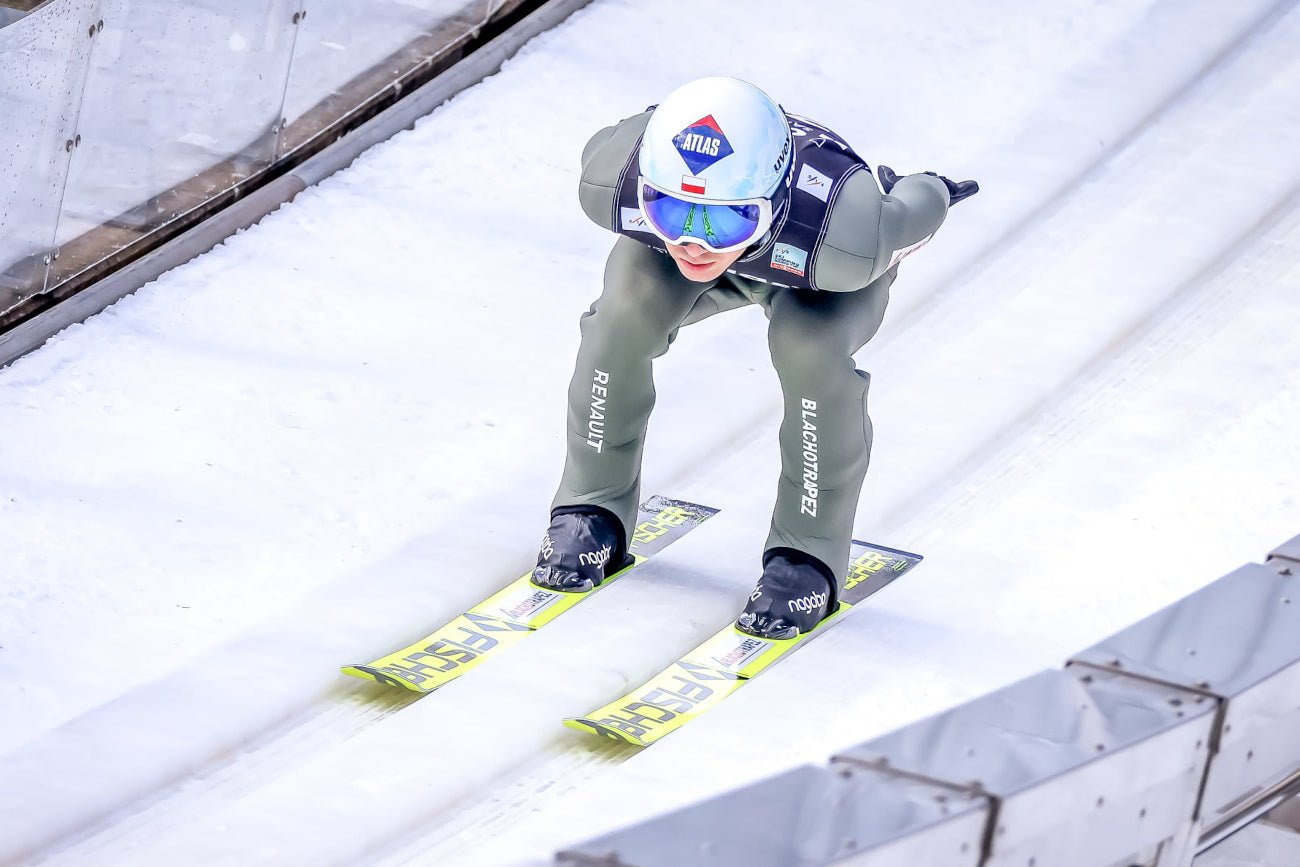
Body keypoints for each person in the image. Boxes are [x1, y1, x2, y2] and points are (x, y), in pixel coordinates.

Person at [530, 77, 977, 639]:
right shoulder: (611, 176)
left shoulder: (850, 236)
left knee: (810, 353)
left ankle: (807, 552)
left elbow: (910, 215)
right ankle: (591, 506)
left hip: (814, 274)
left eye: (723, 219)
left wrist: (926, 187)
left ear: (771, 200)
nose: (693, 241)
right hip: (752, 251)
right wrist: (703, 215)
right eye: (668, 210)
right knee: (620, 322)